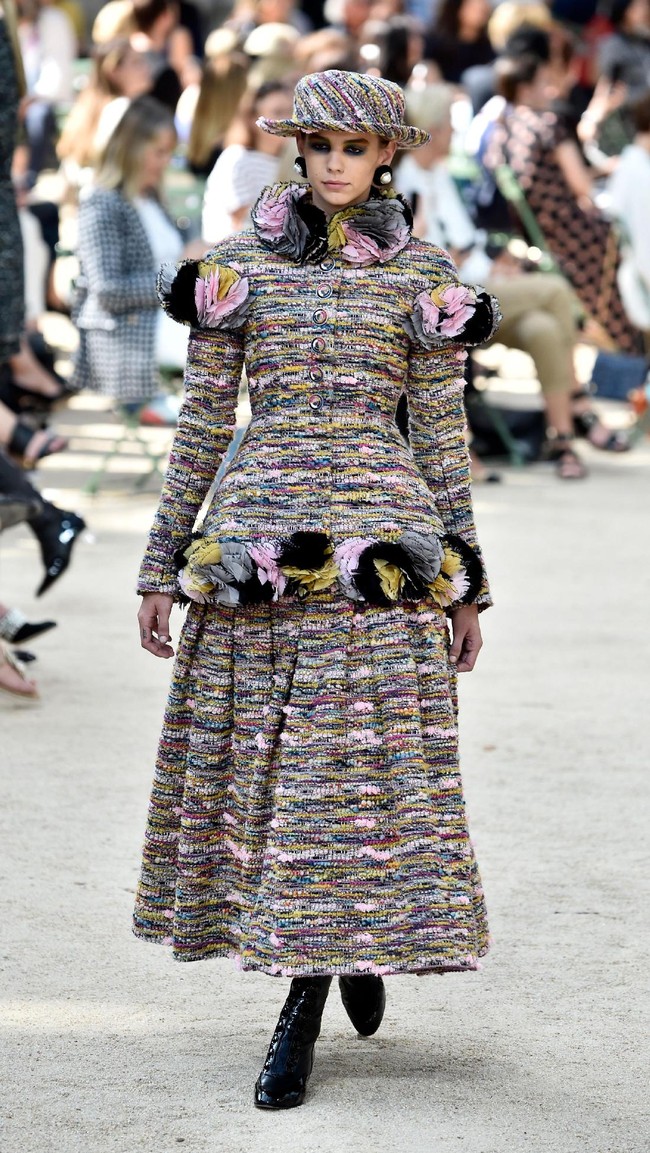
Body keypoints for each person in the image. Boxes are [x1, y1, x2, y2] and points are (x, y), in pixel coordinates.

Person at [134, 68, 500, 1110]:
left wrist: (468, 581)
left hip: (384, 550)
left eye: (355, 145)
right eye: (318, 144)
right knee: (279, 772)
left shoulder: (425, 276)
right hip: (261, 544)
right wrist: (160, 563)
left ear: (387, 153)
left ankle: (318, 977)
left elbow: (439, 433)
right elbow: (203, 424)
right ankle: (324, 966)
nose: (334, 161)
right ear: (298, 150)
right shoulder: (235, 269)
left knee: (350, 770)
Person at [397, 82, 630, 475]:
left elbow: (465, 243)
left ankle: (561, 442)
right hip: (443, 303)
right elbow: (427, 259)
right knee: (554, 290)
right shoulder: (403, 184)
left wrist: (495, 262)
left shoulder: (438, 173)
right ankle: (577, 405)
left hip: (474, 289)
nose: (455, 133)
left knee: (541, 327)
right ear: (432, 130)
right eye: (449, 126)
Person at [483, 53, 642, 355]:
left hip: (543, 237)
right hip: (577, 235)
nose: (553, 91)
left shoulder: (502, 130)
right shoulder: (547, 124)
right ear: (525, 89)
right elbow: (582, 186)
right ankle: (633, 344)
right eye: (545, 83)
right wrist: (609, 170)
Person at [72, 95, 192, 403]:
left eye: (170, 153)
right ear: (131, 150)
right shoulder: (101, 203)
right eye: (159, 152)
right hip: (131, 331)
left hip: (169, 319)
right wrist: (179, 278)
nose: (166, 162)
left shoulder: (150, 197)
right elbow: (108, 291)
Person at [201, 80, 293, 242]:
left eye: (290, 112)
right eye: (277, 112)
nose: (286, 120)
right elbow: (241, 222)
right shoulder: (237, 159)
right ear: (253, 119)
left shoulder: (294, 161)